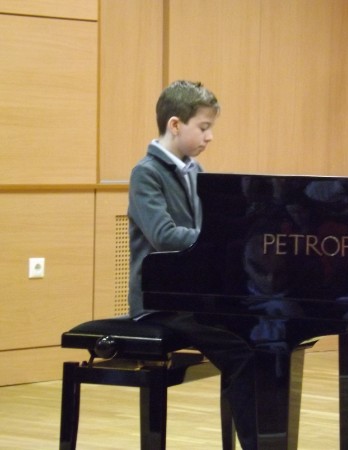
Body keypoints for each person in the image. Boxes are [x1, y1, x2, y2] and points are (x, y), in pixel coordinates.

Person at [127, 80, 258, 449]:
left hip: (190, 299)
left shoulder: (195, 169)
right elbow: (165, 236)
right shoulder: (146, 173)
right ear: (175, 125)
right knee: (243, 353)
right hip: (158, 303)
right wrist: (219, 240)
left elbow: (207, 229)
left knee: (260, 340)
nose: (210, 136)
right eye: (203, 127)